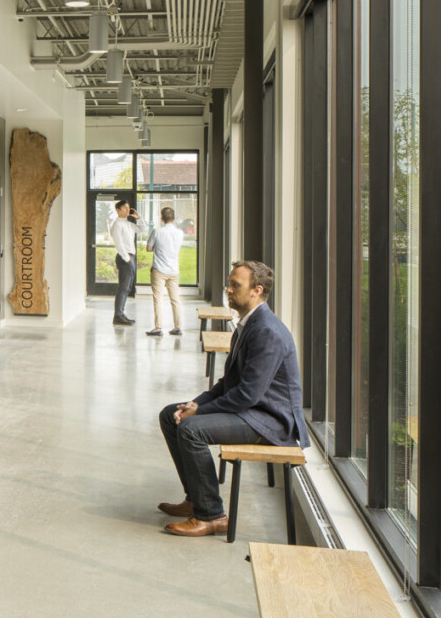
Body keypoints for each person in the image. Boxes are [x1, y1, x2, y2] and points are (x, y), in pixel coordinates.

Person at [156, 261, 306, 537]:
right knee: (170, 414)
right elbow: (228, 383)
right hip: (252, 410)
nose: (227, 289)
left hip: (271, 421)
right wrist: (196, 403)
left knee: (190, 430)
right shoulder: (248, 324)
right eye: (229, 282)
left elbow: (247, 395)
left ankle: (211, 515)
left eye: (235, 285)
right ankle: (196, 498)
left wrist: (197, 414)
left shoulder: (267, 331)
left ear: (256, 291)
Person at [145, 206, 186, 337]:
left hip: (159, 269)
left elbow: (149, 248)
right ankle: (177, 327)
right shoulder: (180, 233)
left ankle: (158, 327)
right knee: (175, 299)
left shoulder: (157, 232)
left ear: (161, 218)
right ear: (173, 218)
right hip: (173, 270)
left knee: (158, 299)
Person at [108, 200, 138, 326]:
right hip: (124, 258)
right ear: (118, 210)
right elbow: (119, 244)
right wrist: (127, 259)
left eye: (128, 207)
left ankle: (121, 313)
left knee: (127, 288)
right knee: (123, 288)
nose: (127, 210)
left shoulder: (129, 223)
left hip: (131, 256)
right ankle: (118, 316)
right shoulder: (117, 225)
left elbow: (142, 229)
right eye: (125, 208)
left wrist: (138, 217)